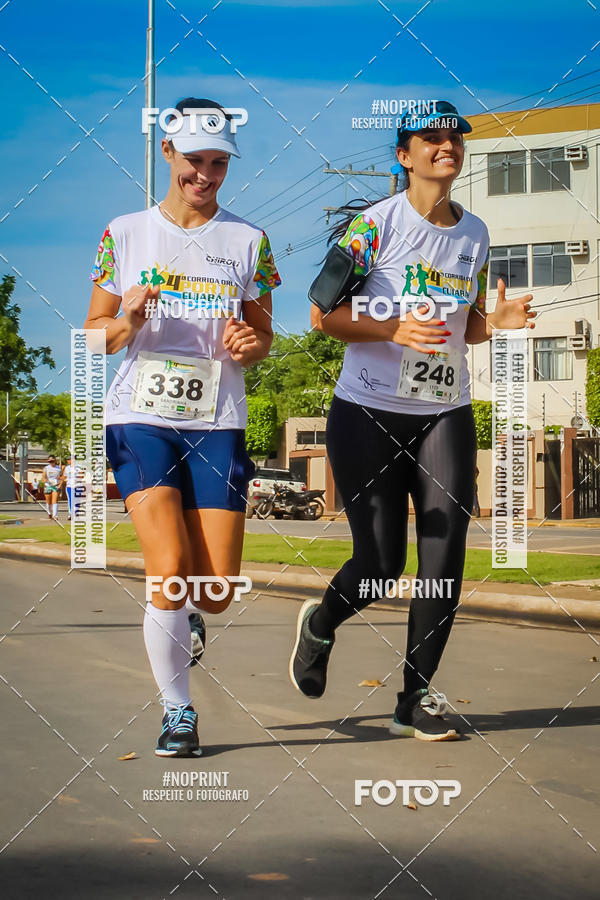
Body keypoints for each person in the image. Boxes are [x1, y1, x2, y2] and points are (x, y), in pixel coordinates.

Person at [290, 100, 535, 741]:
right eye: (431, 138)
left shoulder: (473, 233)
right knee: (380, 563)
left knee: (444, 552)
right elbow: (321, 316)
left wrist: (494, 325)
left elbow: (462, 328)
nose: (446, 145)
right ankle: (321, 624)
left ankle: (414, 700)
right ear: (404, 155)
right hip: (367, 411)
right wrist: (390, 326)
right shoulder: (373, 226)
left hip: (444, 412)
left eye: (454, 137)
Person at [84, 98, 280, 756]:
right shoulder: (125, 233)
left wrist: (250, 343)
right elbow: (94, 339)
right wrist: (129, 320)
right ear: (167, 153)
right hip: (140, 416)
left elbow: (265, 336)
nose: (205, 173)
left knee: (216, 591)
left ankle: (192, 612)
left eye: (218, 162)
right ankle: (178, 713)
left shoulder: (249, 241)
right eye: (194, 160)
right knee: (166, 568)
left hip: (216, 422)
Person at [62, 456, 75, 520]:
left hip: (77, 486)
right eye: (68, 460)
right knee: (70, 500)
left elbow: (82, 475)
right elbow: (64, 477)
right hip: (69, 486)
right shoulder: (67, 468)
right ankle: (70, 514)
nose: (68, 461)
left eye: (70, 459)